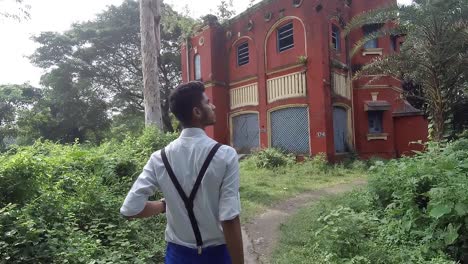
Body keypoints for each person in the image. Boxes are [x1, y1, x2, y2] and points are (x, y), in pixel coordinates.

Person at [120, 81, 244, 264]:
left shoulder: (159, 158)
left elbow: (129, 210)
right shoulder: (225, 155)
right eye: (208, 102)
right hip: (216, 255)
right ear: (197, 112)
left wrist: (164, 205)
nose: (213, 106)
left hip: (177, 256)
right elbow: (229, 218)